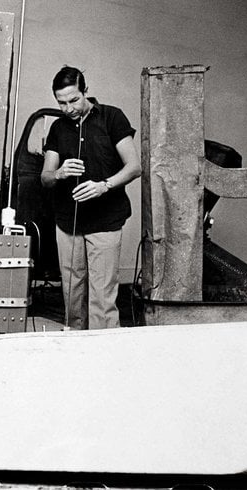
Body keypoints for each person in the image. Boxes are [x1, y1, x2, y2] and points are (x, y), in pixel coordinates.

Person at [40, 66, 141, 329]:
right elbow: (45, 177)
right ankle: (76, 351)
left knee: (102, 298)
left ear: (86, 91)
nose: (68, 108)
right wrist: (59, 173)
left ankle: (104, 356)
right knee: (72, 296)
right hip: (68, 224)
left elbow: (134, 167)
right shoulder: (58, 129)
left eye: (74, 100)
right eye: (61, 103)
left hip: (106, 221)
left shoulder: (111, 118)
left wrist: (104, 186)